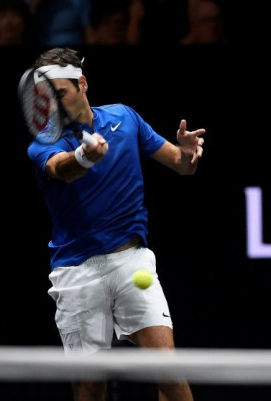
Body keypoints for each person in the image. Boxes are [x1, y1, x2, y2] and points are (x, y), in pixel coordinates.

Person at [26, 47, 202, 401]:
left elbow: (182, 166)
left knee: (169, 372)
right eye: (48, 98)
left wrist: (186, 153)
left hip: (131, 262)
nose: (56, 105)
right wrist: (83, 157)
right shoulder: (43, 145)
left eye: (60, 93)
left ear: (83, 84)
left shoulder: (125, 118)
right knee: (91, 388)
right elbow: (63, 169)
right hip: (76, 272)